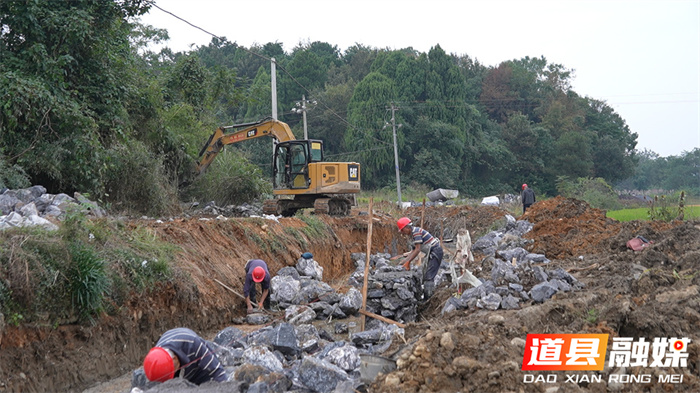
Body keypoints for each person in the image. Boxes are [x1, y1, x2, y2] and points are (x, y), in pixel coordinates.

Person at [143, 327, 227, 384]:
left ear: (175, 358)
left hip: (200, 374)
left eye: (174, 370)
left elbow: (217, 371)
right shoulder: (156, 357)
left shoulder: (193, 343)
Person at [396, 217, 444, 299]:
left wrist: (408, 262)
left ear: (406, 228)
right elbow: (413, 250)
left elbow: (417, 250)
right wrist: (404, 261)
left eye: (403, 230)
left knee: (429, 277)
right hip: (432, 252)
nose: (403, 233)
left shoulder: (416, 232)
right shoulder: (414, 233)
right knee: (426, 275)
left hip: (436, 252)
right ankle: (426, 296)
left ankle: (428, 300)